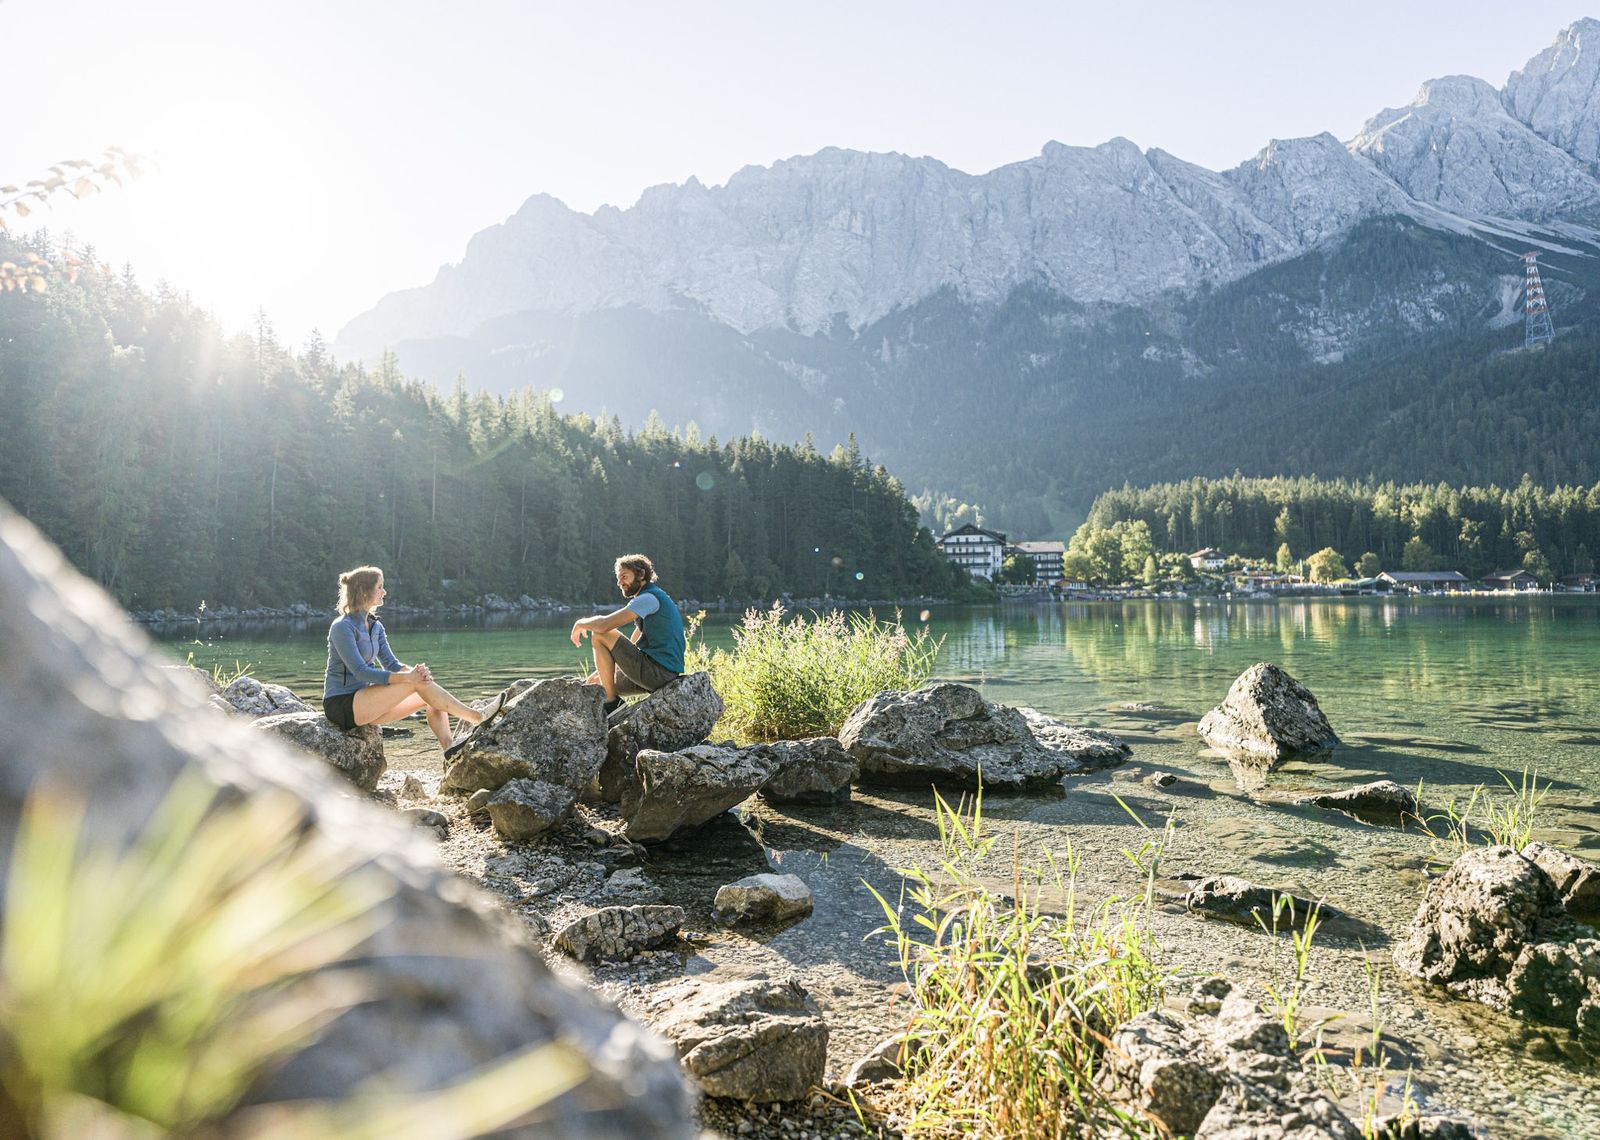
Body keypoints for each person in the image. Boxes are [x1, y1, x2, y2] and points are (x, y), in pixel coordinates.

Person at [322, 565, 505, 755]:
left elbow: (392, 665)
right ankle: (476, 717)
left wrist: (417, 674)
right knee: (416, 683)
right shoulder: (342, 627)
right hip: (342, 704)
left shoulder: (376, 626)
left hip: (367, 701)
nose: (384, 592)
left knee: (427, 691)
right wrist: (410, 678)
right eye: (380, 587)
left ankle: (450, 749)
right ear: (365, 591)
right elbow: (360, 671)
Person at [571, 553, 685, 715]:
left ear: (641, 574)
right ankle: (609, 702)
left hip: (657, 674)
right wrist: (607, 670)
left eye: (624, 576)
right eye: (618, 578)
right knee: (601, 683)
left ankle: (612, 704)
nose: (620, 583)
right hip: (663, 675)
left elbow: (604, 625)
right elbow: (635, 641)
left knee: (600, 635)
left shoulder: (648, 598)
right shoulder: (652, 598)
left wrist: (580, 622)